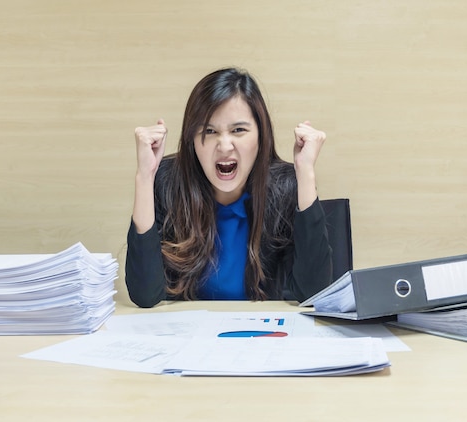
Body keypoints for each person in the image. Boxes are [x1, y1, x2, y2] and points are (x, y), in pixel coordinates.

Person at [125, 67, 333, 308]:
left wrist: (305, 172)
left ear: (260, 136)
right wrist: (144, 176)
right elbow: (144, 295)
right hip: (190, 336)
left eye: (238, 130)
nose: (224, 146)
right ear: (192, 140)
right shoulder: (168, 182)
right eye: (209, 131)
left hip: (263, 335)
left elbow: (313, 293)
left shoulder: (285, 186)